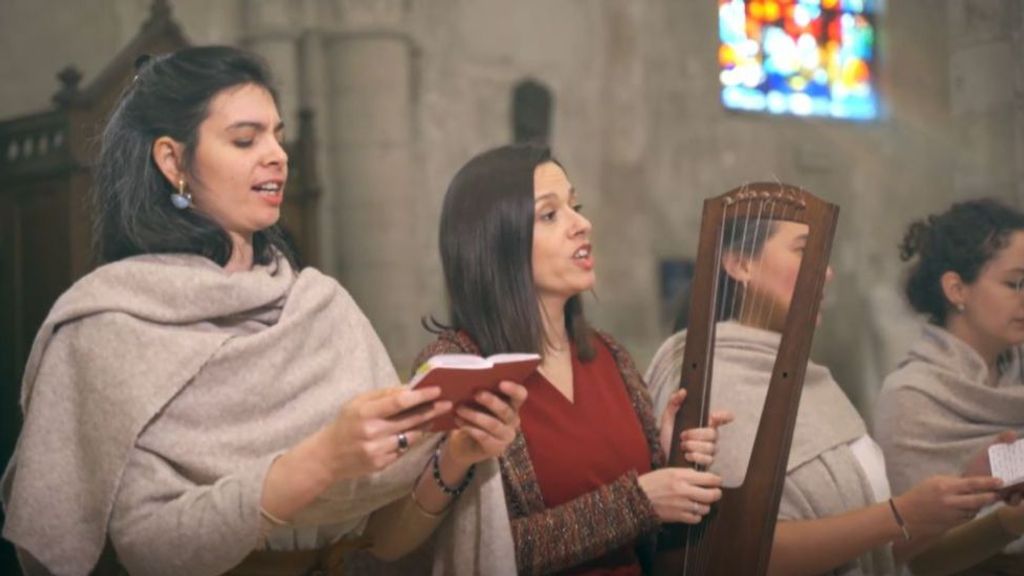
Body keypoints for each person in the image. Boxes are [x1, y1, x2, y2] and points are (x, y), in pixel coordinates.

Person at [0, 46, 525, 576]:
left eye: (277, 135)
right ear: (173, 161)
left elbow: (382, 542)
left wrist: (456, 456)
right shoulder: (107, 327)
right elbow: (150, 549)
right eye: (246, 139)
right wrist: (320, 460)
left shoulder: (321, 307)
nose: (277, 154)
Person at [645, 184, 1004, 576]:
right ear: (739, 264)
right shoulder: (711, 376)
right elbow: (731, 552)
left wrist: (967, 487)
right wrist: (900, 513)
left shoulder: (811, 377)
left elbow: (867, 553)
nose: (827, 270)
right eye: (803, 249)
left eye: (825, 253)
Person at [415, 144, 730, 575]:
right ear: (496, 242)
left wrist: (671, 459)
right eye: (550, 215)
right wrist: (639, 502)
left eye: (575, 206)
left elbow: (649, 524)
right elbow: (478, 552)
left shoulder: (609, 355)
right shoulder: (458, 366)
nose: (582, 224)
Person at [876, 199, 1024, 574]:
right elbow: (915, 554)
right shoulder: (911, 396)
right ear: (957, 289)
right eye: (1014, 283)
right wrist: (1007, 522)